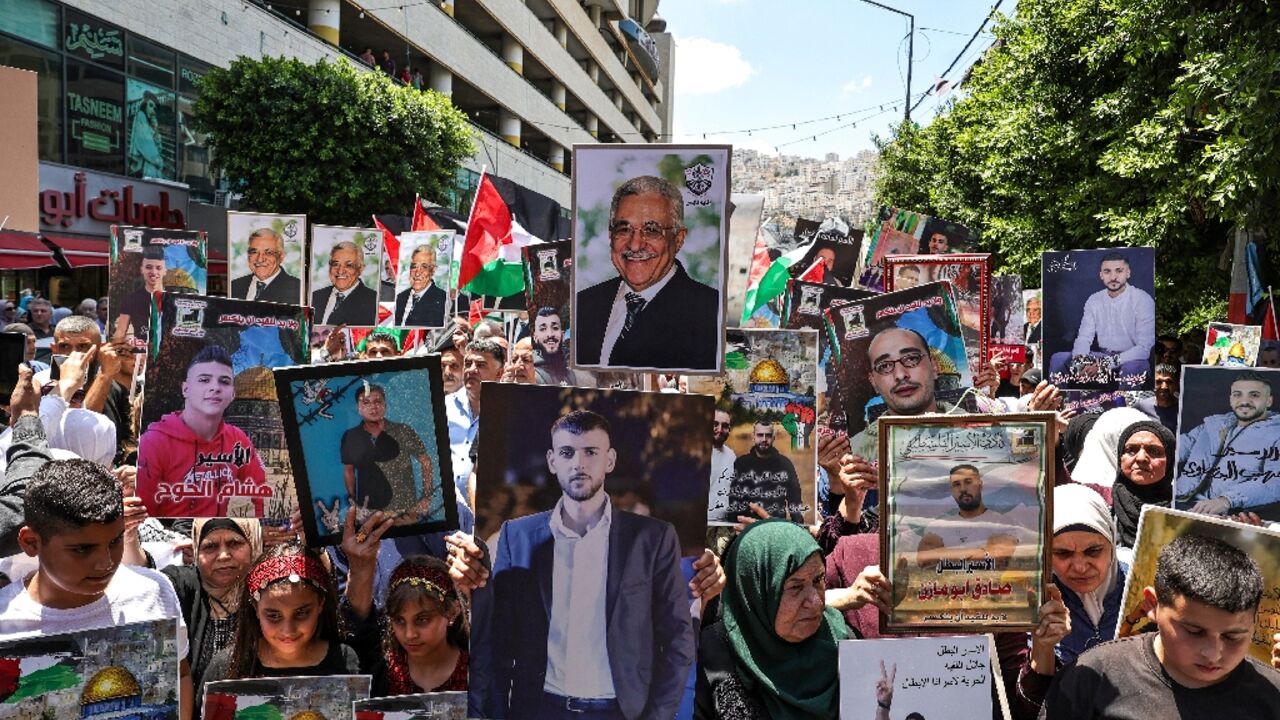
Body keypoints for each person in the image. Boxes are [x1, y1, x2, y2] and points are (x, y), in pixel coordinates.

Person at [470, 410, 695, 719]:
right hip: (539, 709)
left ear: (609, 460)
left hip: (619, 711)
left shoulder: (652, 539)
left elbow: (678, 638)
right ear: (552, 461)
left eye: (591, 452)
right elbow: (496, 639)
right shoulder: (517, 537)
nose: (579, 464)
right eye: (567, 453)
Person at [0, 411, 192, 717]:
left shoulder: (154, 591)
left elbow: (179, 675)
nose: (106, 563)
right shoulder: (5, 623)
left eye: (115, 541)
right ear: (31, 542)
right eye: (82, 549)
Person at [1038, 534, 1280, 719]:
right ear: (1153, 605)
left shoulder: (1273, 695)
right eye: (1194, 632)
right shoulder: (1094, 676)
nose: (1213, 653)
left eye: (1233, 636)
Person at [694, 519, 851, 719]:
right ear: (756, 592)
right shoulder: (712, 656)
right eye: (796, 586)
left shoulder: (846, 646)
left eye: (818, 580)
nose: (816, 601)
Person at [576, 175, 720, 371]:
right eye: (624, 229)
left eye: (652, 230)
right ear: (610, 236)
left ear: (678, 239)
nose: (635, 245)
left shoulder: (711, 314)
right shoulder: (582, 305)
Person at [1015, 484, 1125, 719]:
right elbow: (1032, 709)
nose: (1080, 567)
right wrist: (1043, 646)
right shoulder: (1034, 596)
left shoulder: (1140, 587)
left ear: (1112, 544)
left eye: (1093, 551)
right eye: (1063, 554)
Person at [201, 544, 360, 694]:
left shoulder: (344, 662)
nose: (288, 630)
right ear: (256, 608)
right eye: (273, 616)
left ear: (320, 603)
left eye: (301, 614)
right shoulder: (227, 666)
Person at [136, 345, 269, 517]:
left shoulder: (237, 439)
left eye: (224, 381)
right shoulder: (154, 443)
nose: (215, 387)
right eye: (204, 380)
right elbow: (141, 518)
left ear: (233, 394)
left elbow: (263, 494)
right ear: (185, 389)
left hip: (220, 533)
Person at [161, 518, 264, 689]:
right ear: (196, 551)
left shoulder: (270, 592)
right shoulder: (181, 585)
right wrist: (129, 537)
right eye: (210, 546)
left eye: (234, 543)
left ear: (254, 544)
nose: (223, 556)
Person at [1176, 371, 1280, 517]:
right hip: (1182, 501)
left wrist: (1226, 500)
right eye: (1238, 395)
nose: (1244, 401)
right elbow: (1181, 445)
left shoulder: (1276, 433)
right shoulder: (1215, 424)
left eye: (1254, 395)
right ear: (1231, 399)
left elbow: (1275, 482)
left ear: (1269, 401)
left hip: (1231, 514)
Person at [1048, 252, 1155, 388]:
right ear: (1101, 275)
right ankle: (1058, 400)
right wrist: (1079, 362)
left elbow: (1143, 349)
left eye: (1119, 271)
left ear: (1128, 273)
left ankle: (1125, 403)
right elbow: (1084, 338)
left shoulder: (1143, 299)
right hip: (1102, 355)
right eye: (1107, 271)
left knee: (1131, 368)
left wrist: (1103, 364)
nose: (1113, 277)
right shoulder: (1094, 300)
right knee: (1058, 359)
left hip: (1132, 358)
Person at [371, 556, 470, 696]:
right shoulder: (383, 676)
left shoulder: (477, 672)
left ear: (452, 613)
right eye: (399, 620)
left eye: (422, 620)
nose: (410, 634)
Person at [340, 382, 434, 521]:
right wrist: (353, 501)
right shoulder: (351, 436)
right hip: (369, 514)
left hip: (405, 511)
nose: (373, 407)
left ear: (385, 405)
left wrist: (427, 496)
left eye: (378, 401)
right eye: (366, 402)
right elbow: (349, 470)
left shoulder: (403, 431)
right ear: (358, 408)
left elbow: (425, 461)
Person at [913, 464, 1024, 570]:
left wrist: (942, 554)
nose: (963, 489)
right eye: (957, 484)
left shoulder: (1002, 523)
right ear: (952, 491)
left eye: (968, 482)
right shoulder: (938, 527)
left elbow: (998, 558)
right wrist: (981, 552)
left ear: (980, 485)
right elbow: (925, 560)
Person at [446, 337, 503, 502]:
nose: (471, 370)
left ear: (499, 373)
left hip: (486, 509)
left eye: (481, 365)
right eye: (468, 363)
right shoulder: (443, 407)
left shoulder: (507, 414)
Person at [1112, 420, 1175, 549]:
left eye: (1154, 451)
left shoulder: (1184, 509)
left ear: (1170, 460)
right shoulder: (1105, 505)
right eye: (1131, 450)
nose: (1141, 458)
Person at [728, 421, 803, 523]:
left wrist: (798, 527)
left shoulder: (785, 464)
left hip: (776, 525)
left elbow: (795, 500)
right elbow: (733, 499)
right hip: (747, 525)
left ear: (773, 438)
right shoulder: (741, 463)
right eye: (760, 435)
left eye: (768, 435)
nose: (764, 439)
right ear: (753, 436)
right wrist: (732, 525)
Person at [312, 240, 378, 326]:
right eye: (335, 264)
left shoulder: (374, 301)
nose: (340, 271)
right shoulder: (315, 297)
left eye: (348, 265)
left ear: (360, 269)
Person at [113, 244, 166, 347]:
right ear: (142, 269)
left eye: (158, 268)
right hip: (140, 351)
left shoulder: (172, 299)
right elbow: (120, 332)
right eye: (148, 267)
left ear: (165, 271)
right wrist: (115, 349)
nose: (153, 272)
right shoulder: (131, 299)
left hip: (167, 352)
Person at [231, 228, 302, 303]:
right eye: (254, 252)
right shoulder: (234, 286)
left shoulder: (297, 289)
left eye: (268, 253)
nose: (260, 259)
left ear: (281, 256)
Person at [396, 244, 447, 326]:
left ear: (433, 270)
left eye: (424, 267)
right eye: (414, 266)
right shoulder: (400, 298)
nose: (417, 273)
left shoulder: (443, 299)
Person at [530, 307, 579, 386]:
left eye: (555, 328)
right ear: (535, 338)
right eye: (543, 329)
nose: (550, 334)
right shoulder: (531, 375)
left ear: (562, 335)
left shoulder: (571, 375)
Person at [707, 409, 737, 522]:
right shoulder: (695, 454)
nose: (720, 430)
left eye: (724, 426)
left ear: (729, 430)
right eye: (715, 424)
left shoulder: (731, 455)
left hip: (724, 523)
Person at [1135, 363, 1179, 432]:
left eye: (1169, 382)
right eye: (1158, 382)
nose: (1164, 387)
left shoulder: (1184, 409)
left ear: (1176, 385)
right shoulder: (1140, 407)